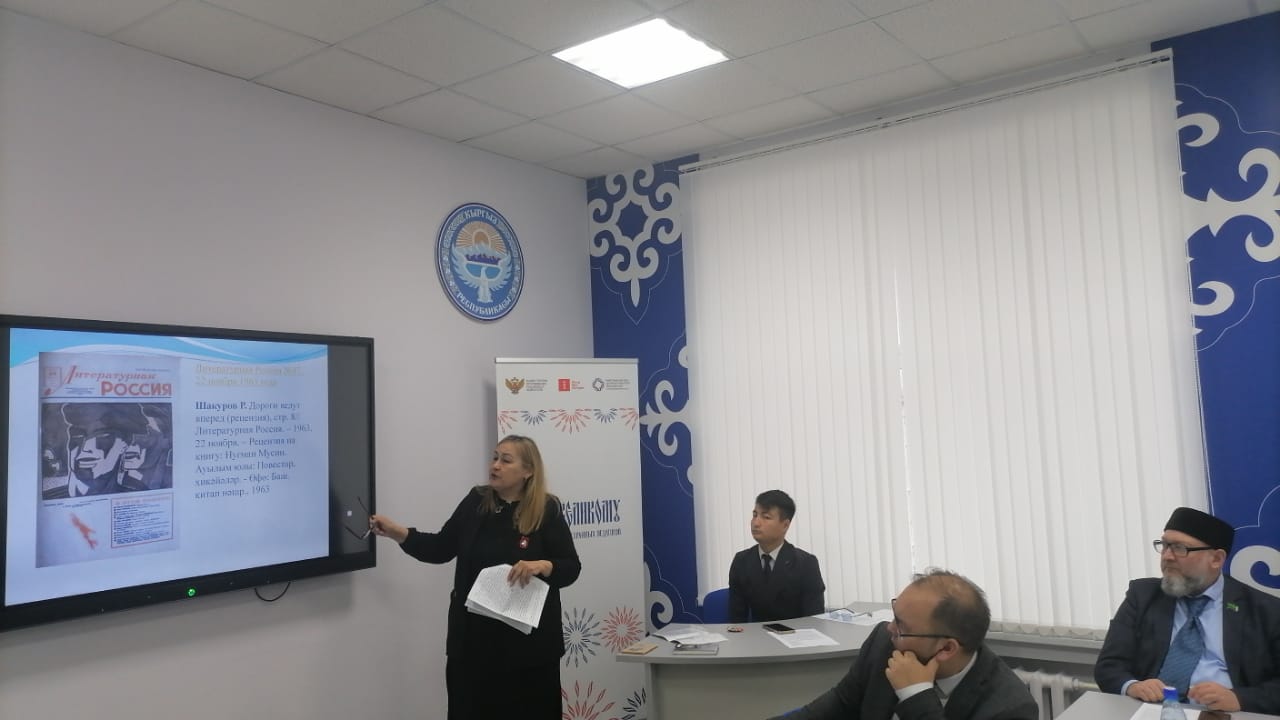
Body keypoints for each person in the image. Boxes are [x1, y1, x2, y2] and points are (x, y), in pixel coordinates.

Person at [369, 435, 581, 719]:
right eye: (494, 458)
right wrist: (398, 533)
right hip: (472, 647)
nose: (495, 465)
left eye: (506, 460)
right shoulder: (476, 502)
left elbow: (571, 567)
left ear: (528, 471)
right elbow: (441, 548)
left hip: (528, 650)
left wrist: (543, 565)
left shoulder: (546, 509)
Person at [769, 569, 1037, 720]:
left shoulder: (1010, 708)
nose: (890, 628)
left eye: (901, 626)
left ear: (946, 649)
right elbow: (839, 705)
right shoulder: (884, 643)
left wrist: (916, 695)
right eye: (894, 615)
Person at [1095, 506, 1280, 713]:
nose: (1167, 556)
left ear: (1216, 559)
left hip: (1222, 714)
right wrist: (1132, 686)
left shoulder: (1265, 611)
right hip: (1152, 711)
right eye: (1164, 545)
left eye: (1180, 548)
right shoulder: (1143, 595)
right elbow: (1108, 665)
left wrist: (1240, 699)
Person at [728, 489, 825, 622]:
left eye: (766, 517)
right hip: (755, 634)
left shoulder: (806, 563)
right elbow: (736, 620)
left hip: (795, 633)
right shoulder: (741, 561)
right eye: (755, 515)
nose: (756, 523)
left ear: (785, 525)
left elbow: (814, 619)